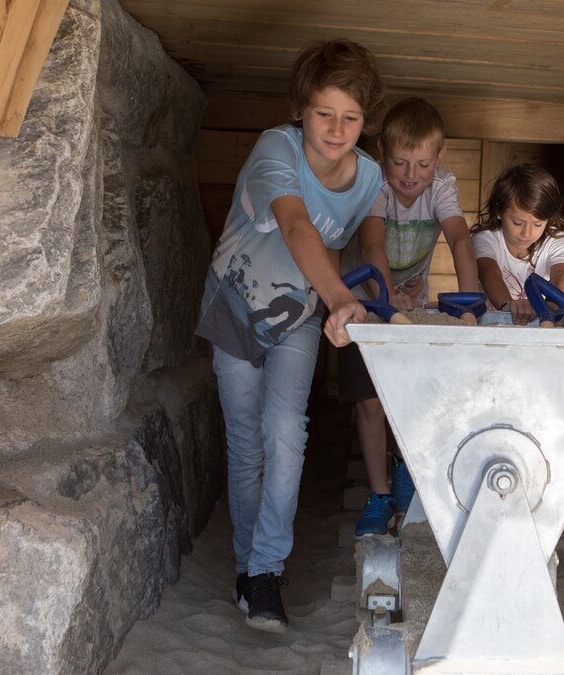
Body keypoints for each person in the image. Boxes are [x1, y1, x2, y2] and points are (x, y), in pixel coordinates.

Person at [195, 39, 385, 634]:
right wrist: (339, 297)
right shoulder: (275, 147)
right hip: (233, 306)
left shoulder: (370, 176)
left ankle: (266, 575)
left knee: (285, 432)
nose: (337, 128)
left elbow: (357, 243)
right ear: (301, 108)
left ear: (365, 120)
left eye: (351, 117)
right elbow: (297, 223)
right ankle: (250, 567)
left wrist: (372, 299)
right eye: (325, 113)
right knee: (247, 440)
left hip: (298, 315)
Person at [340, 97, 479, 536]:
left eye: (421, 164)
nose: (410, 175)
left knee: (413, 394)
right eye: (400, 162)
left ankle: (403, 467)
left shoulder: (441, 187)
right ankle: (379, 494)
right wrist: (385, 298)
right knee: (370, 399)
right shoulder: (374, 184)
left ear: (439, 158)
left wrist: (472, 301)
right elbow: (372, 247)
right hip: (363, 300)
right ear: (383, 154)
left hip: (410, 305)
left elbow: (459, 238)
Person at [472, 164, 564, 324]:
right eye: (517, 222)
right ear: (499, 211)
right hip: (489, 327)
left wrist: (559, 309)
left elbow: (563, 274)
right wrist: (509, 307)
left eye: (537, 224)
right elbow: (488, 272)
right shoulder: (486, 239)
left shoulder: (556, 239)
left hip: (534, 329)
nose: (526, 233)